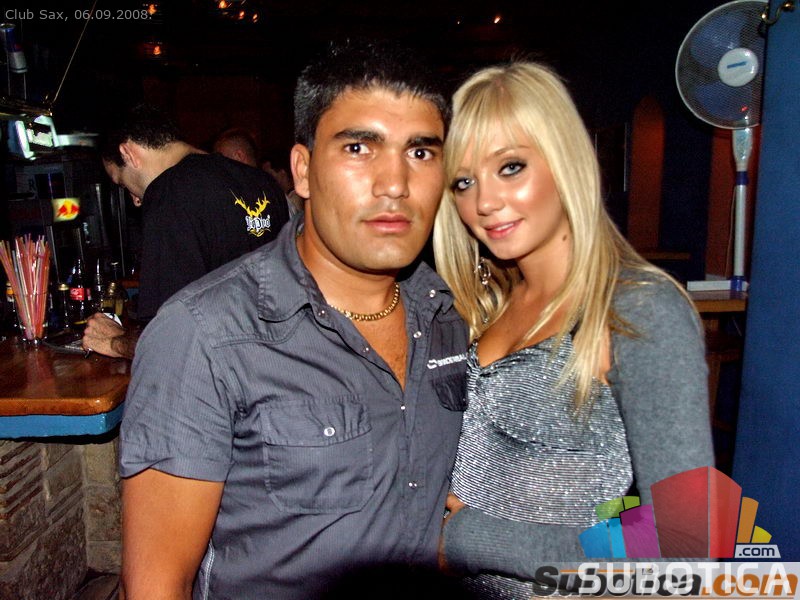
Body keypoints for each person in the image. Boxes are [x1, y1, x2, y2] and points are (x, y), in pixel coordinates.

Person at [118, 39, 469, 600]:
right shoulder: (204, 335)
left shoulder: (450, 315)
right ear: (302, 170)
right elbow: (157, 583)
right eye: (359, 148)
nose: (395, 183)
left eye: (421, 153)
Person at [432, 62, 714, 597]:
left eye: (510, 167)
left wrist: (468, 539)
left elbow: (686, 544)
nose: (484, 202)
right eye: (464, 182)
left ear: (565, 160)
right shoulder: (485, 304)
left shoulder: (636, 308)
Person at [82, 105, 290, 359]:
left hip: (221, 375)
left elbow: (168, 342)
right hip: (278, 364)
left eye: (123, 182)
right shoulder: (263, 183)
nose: (135, 199)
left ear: (128, 153)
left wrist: (114, 341)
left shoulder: (169, 193)